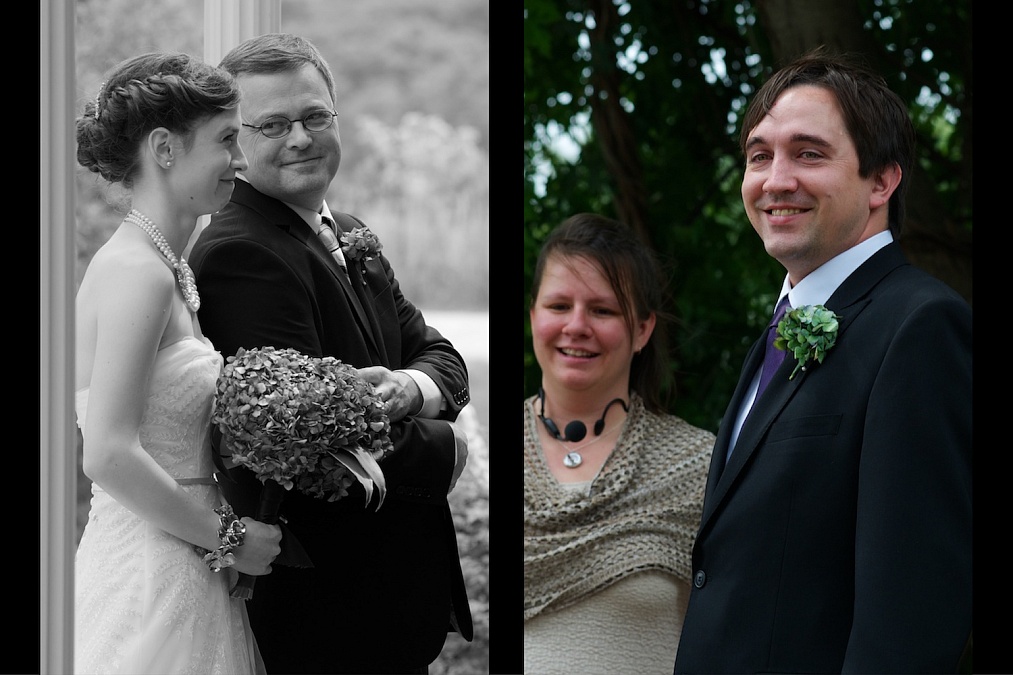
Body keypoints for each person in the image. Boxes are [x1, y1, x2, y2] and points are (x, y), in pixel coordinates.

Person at [674, 47, 972, 674]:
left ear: (881, 180)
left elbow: (911, 611)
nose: (776, 179)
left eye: (808, 153)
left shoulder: (920, 327)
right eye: (760, 156)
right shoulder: (779, 333)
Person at [188, 33, 473, 674]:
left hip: (387, 601)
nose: (301, 138)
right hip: (329, 610)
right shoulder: (242, 254)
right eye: (273, 124)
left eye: (316, 116)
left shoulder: (344, 233)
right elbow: (306, 444)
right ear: (234, 142)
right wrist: (446, 448)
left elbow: (442, 355)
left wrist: (410, 386)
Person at [74, 52, 282, 674]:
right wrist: (232, 537)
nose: (241, 161)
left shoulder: (166, 268)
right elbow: (107, 452)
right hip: (148, 576)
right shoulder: (136, 273)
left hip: (185, 562)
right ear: (165, 148)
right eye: (226, 140)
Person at [524, 213, 714, 674]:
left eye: (603, 310)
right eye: (558, 306)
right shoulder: (485, 455)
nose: (577, 326)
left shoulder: (700, 465)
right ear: (533, 315)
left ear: (643, 329)